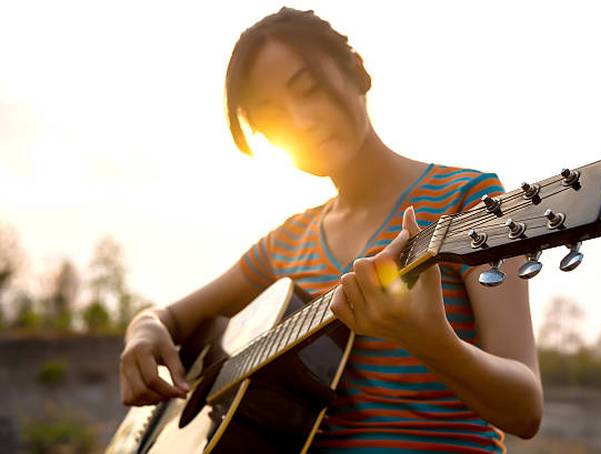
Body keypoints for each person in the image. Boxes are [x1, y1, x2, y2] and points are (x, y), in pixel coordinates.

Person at [119, 7, 543, 453]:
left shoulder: (468, 201)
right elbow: (167, 319)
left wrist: (432, 342)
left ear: (357, 72)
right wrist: (143, 331)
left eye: (309, 90)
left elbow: (525, 409)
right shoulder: (284, 244)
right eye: (272, 118)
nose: (301, 122)